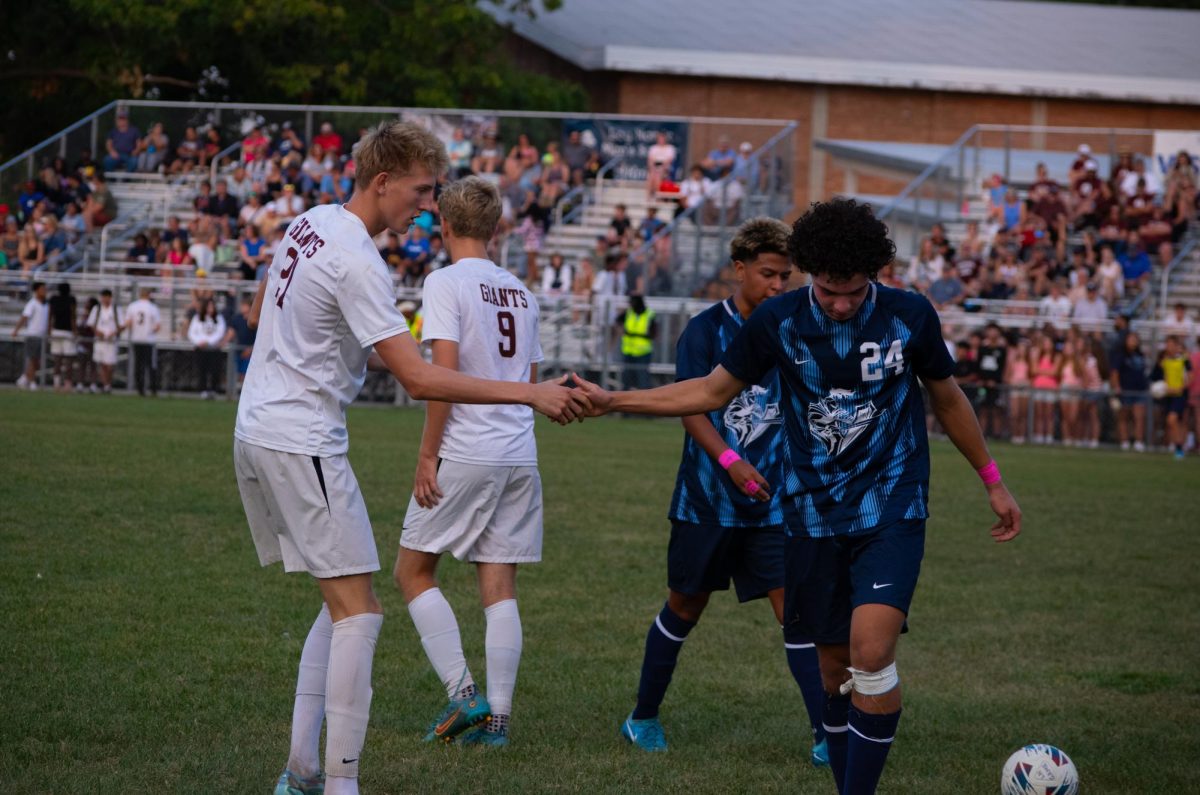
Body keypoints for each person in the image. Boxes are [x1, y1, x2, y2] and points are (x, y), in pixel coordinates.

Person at [569, 199, 1021, 795]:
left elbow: (948, 398)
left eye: (853, 292)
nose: (839, 303)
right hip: (807, 515)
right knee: (833, 671)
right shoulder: (776, 320)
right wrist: (614, 401)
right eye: (829, 290)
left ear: (876, 276)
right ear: (809, 272)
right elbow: (709, 391)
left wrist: (992, 480)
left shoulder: (910, 315)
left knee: (871, 653)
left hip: (892, 506)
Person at [232, 121, 585, 795]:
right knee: (361, 612)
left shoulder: (310, 219)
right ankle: (337, 783)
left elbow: (258, 308)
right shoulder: (358, 257)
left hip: (262, 426)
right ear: (383, 180)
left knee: (340, 601)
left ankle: (303, 770)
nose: (428, 206)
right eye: (421, 191)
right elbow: (421, 379)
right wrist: (530, 393)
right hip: (299, 438)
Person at [619, 218, 828, 766]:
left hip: (775, 506)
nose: (779, 285)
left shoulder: (796, 328)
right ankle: (642, 717)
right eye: (768, 274)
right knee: (684, 607)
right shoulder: (704, 329)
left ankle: (826, 734)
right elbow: (692, 405)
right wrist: (732, 461)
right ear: (739, 269)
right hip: (706, 501)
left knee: (798, 616)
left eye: (786, 275)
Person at [392, 176, 546, 748]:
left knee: (412, 571)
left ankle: (463, 696)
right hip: (519, 454)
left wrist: (428, 454)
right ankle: (499, 725)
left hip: (468, 449)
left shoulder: (445, 282)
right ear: (497, 227)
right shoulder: (522, 292)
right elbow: (528, 383)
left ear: (445, 227)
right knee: (499, 585)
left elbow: (443, 379)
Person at [1151, 336, 1191, 460]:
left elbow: (1190, 376)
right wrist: (1162, 388)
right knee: (1172, 422)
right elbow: (1158, 376)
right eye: (1167, 344)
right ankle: (1177, 446)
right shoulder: (1164, 361)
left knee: (1173, 419)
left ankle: (1179, 447)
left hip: (1179, 395)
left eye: (1170, 344)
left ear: (1176, 346)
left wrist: (1181, 388)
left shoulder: (1184, 360)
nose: (1168, 347)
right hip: (1168, 395)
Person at [1110, 332, 1149, 452]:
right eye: (1131, 339)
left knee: (1139, 417)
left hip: (1139, 390)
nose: (1133, 341)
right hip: (1125, 390)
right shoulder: (1121, 355)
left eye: (1135, 339)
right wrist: (1116, 387)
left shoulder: (1140, 355)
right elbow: (1114, 372)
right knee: (1123, 417)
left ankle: (1138, 441)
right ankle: (1124, 441)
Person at [125, 287, 161, 397]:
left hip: (136, 339)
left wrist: (136, 331)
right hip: (149, 340)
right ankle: (153, 389)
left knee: (138, 365)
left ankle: (140, 389)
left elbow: (128, 323)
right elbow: (157, 326)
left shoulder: (132, 306)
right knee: (151, 365)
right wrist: (150, 331)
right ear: (149, 295)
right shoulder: (153, 308)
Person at [12, 281, 49, 389]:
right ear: (36, 290)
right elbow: (24, 317)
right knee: (33, 359)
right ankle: (32, 381)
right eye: (42, 289)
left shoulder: (45, 304)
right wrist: (16, 330)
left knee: (37, 361)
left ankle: (24, 378)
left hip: (42, 335)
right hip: (33, 334)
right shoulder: (32, 303)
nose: (44, 291)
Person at [188, 298, 226, 399]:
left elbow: (220, 332)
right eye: (208, 306)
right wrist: (199, 342)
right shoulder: (197, 317)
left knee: (214, 370)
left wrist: (208, 342)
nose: (210, 309)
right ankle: (203, 390)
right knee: (202, 370)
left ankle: (214, 390)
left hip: (213, 349)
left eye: (212, 306)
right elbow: (192, 332)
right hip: (201, 349)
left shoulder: (219, 318)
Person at [87, 289, 122, 394]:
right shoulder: (97, 309)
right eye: (104, 297)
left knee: (110, 365)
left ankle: (107, 383)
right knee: (102, 363)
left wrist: (114, 333)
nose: (106, 299)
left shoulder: (116, 309)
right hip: (100, 340)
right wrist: (98, 332)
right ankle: (105, 385)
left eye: (108, 297)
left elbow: (121, 325)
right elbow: (91, 324)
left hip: (111, 340)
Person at [619, 294, 656, 392]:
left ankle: (645, 402)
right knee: (626, 379)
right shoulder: (629, 312)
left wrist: (634, 335)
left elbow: (654, 333)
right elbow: (618, 320)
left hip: (643, 352)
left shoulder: (649, 314)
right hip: (628, 351)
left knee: (643, 380)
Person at [48, 282, 77, 392]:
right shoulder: (71, 299)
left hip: (56, 331)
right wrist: (75, 330)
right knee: (68, 360)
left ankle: (56, 383)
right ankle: (67, 383)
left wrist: (49, 328)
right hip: (67, 331)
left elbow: (50, 315)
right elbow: (73, 316)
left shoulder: (54, 299)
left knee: (57, 359)